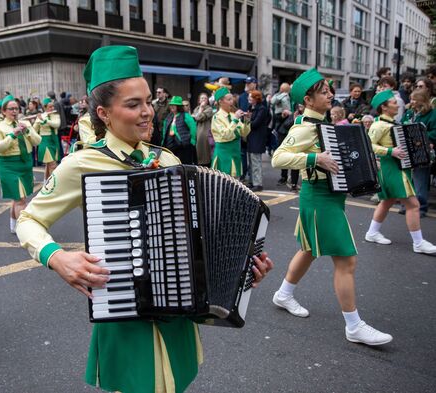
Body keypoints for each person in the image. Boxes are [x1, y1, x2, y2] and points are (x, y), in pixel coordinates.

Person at [16, 45, 273, 393]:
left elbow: (196, 240)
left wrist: (243, 268)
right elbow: (29, 219)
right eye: (133, 104)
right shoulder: (82, 164)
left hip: (178, 316)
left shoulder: (166, 160)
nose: (147, 112)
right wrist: (56, 256)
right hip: (127, 320)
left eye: (148, 101)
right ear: (105, 113)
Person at [270, 68, 392, 346]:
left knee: (309, 250)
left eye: (328, 90)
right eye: (323, 92)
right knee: (346, 260)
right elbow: (278, 158)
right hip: (319, 198)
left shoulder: (324, 125)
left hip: (329, 196)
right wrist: (314, 159)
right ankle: (354, 325)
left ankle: (283, 294)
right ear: (308, 100)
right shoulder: (304, 127)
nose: (329, 95)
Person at [364, 89, 436, 253]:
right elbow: (369, 145)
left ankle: (372, 232)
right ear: (384, 107)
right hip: (391, 168)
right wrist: (390, 151)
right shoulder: (379, 125)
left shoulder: (393, 123)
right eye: (394, 102)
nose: (398, 104)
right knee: (414, 204)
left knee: (387, 202)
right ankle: (418, 243)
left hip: (395, 168)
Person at [0, 95, 41, 234]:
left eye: (16, 109)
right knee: (20, 200)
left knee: (18, 198)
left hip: (25, 163)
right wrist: (12, 135)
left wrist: (27, 131)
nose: (14, 111)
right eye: (11, 109)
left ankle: (13, 225)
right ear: (3, 111)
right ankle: (24, 231)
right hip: (8, 165)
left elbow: (37, 141)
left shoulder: (25, 123)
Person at [401, 90, 436, 216]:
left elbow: (434, 132)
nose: (411, 102)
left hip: (423, 150)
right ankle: (407, 205)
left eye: (414, 99)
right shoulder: (410, 113)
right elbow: (401, 125)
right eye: (411, 99)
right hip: (408, 149)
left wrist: (420, 135)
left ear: (422, 100)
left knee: (420, 180)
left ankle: (420, 207)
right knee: (408, 179)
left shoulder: (432, 114)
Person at [210, 87, 250, 177]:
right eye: (229, 99)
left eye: (232, 99)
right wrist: (235, 120)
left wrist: (247, 121)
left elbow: (244, 133)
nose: (232, 102)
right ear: (220, 101)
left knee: (236, 183)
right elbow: (225, 135)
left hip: (235, 151)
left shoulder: (233, 115)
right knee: (224, 183)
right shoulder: (217, 117)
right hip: (224, 153)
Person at [161, 95, 197, 164]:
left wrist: (192, 141)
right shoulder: (169, 117)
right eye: (171, 105)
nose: (172, 106)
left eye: (174, 105)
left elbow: (193, 128)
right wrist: (163, 142)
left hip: (183, 145)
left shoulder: (185, 116)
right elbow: (165, 130)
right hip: (170, 145)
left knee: (183, 163)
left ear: (179, 106)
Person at [246, 90, 268, 191]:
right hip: (252, 138)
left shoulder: (262, 109)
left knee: (256, 161)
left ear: (256, 99)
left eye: (250, 97)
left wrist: (247, 121)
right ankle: (252, 181)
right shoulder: (251, 108)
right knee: (251, 161)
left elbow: (255, 123)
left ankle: (258, 183)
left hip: (258, 138)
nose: (248, 99)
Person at [34, 98, 61, 180]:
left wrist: (45, 120)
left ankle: (46, 182)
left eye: (53, 106)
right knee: (52, 164)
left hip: (54, 140)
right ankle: (54, 183)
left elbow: (57, 125)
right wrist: (38, 121)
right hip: (44, 141)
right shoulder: (40, 116)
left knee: (49, 164)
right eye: (50, 107)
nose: (52, 108)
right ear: (45, 108)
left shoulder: (56, 115)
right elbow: (34, 130)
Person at [191, 92, 214, 166]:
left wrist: (201, 108)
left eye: (205, 98)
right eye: (202, 98)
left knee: (205, 155)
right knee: (198, 154)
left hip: (205, 135)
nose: (203, 100)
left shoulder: (209, 109)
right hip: (196, 134)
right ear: (199, 100)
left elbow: (198, 117)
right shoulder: (196, 109)